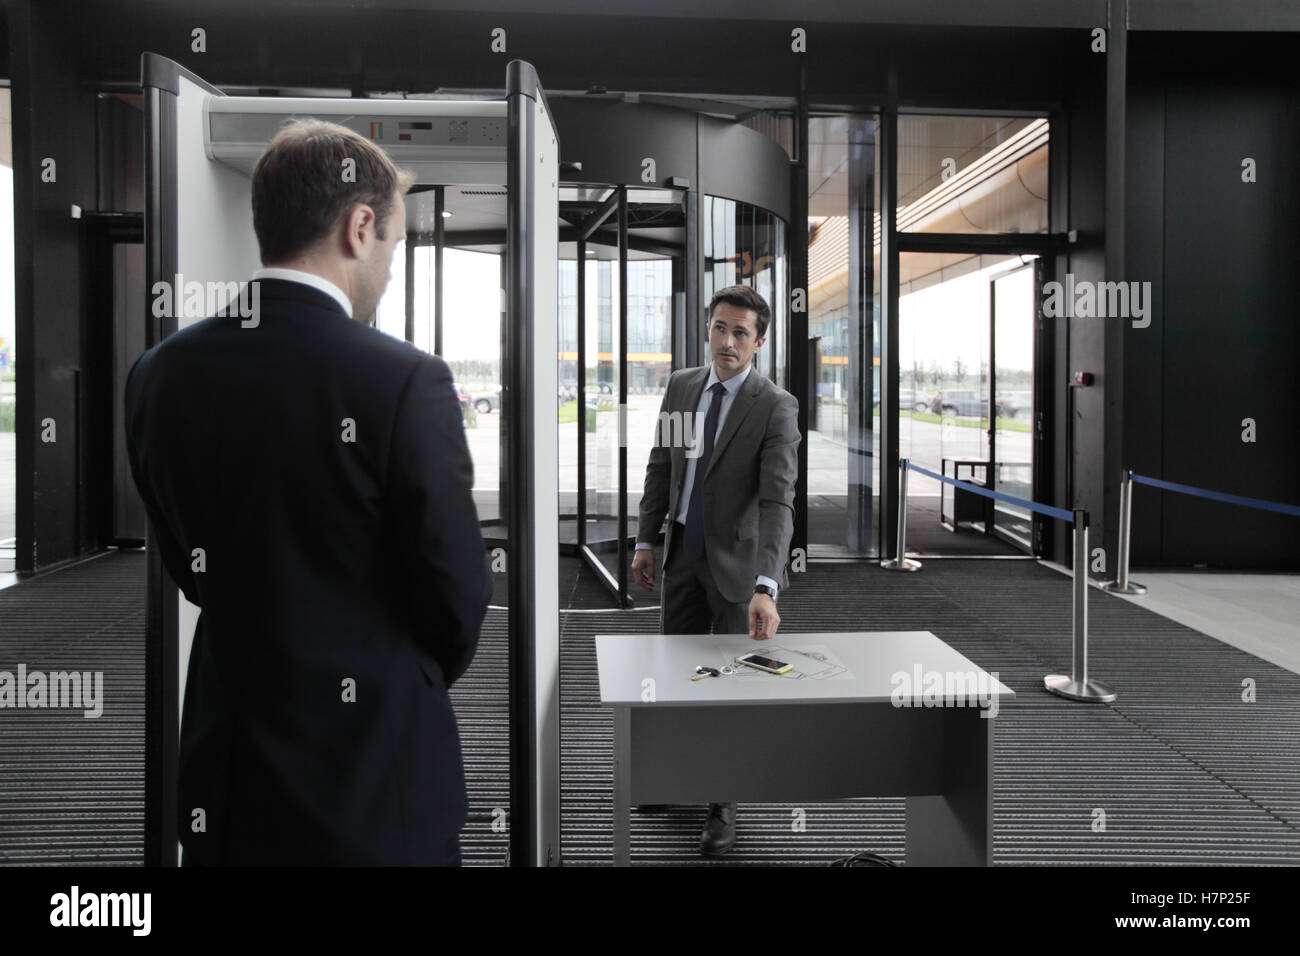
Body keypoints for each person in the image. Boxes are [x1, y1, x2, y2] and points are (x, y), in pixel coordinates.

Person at [124, 118, 491, 865]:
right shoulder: (405, 380)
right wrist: (398, 672)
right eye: (390, 242)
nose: (387, 265)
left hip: (229, 771)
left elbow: (184, 563)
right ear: (360, 226)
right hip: (371, 776)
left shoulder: (158, 375)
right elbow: (457, 592)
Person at [632, 284, 801, 856]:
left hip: (738, 571)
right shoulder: (683, 387)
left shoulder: (774, 405)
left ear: (759, 342)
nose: (726, 342)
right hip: (681, 557)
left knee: (730, 685)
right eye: (719, 328)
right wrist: (646, 540)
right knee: (677, 674)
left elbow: (779, 501)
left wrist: (766, 586)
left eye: (740, 333)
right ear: (708, 327)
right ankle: (672, 778)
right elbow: (662, 468)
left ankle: (721, 803)